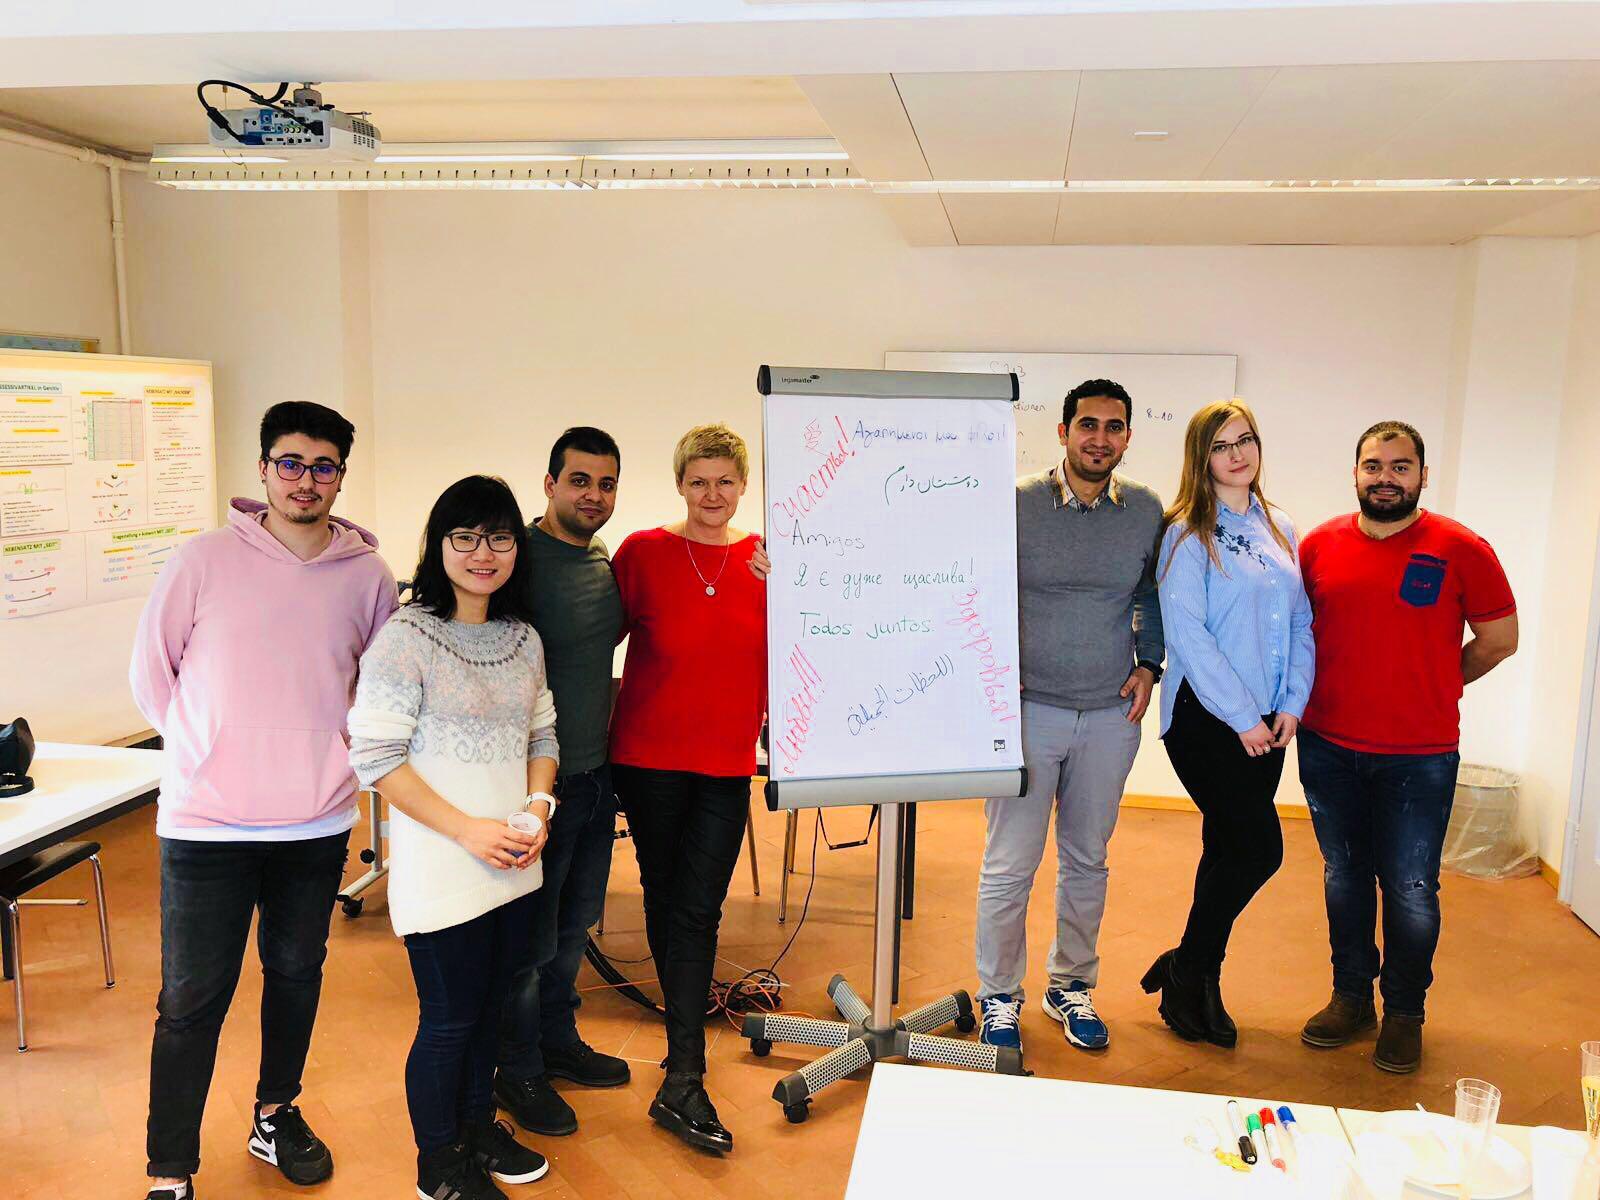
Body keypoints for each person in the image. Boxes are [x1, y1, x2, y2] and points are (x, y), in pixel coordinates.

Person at [131, 402, 398, 1200]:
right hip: (205, 823)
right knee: (190, 999)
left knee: (295, 973)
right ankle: (170, 1166)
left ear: (340, 476)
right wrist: (206, 750)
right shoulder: (202, 560)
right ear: (263, 469)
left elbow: (381, 688)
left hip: (315, 821)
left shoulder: (369, 576)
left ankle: (275, 1114)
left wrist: (333, 753)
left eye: (322, 466)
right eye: (290, 463)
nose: (305, 480)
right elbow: (153, 674)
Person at [349, 475, 558, 1200]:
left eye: (498, 538)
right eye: (464, 537)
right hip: (443, 864)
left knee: (492, 1011)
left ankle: (475, 1129)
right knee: (448, 1021)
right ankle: (438, 1164)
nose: (482, 553)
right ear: (438, 546)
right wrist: (468, 830)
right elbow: (376, 758)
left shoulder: (523, 638)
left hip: (514, 860)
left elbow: (542, 733)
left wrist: (538, 807)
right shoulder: (406, 638)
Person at [1297, 421, 1517, 1074]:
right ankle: (1351, 998)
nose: (1385, 478)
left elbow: (1500, 640)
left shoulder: (1461, 548)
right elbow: (1295, 635)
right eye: (1373, 466)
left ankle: (1403, 1013)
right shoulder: (1318, 546)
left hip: (1419, 756)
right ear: (1355, 474)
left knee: (1412, 887)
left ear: (1423, 475)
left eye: (1400, 466)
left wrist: (1440, 680)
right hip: (1328, 746)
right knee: (1343, 877)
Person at [976, 379, 1165, 1055]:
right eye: (1088, 425)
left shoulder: (1145, 509)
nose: (1100, 439)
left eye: (1114, 427)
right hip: (1029, 712)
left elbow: (1151, 593)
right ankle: (999, 996)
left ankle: (1070, 986)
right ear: (1062, 432)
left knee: (1088, 860)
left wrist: (1151, 664)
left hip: (1111, 715)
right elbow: (978, 586)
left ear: (1128, 437)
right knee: (1010, 865)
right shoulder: (1016, 502)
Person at [609, 423, 766, 1154]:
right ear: (679, 483)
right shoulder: (642, 553)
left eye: (725, 481)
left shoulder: (766, 560)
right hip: (647, 760)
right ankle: (684, 1071)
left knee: (698, 910)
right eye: (698, 481)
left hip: (726, 765)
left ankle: (682, 1071)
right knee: (666, 898)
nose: (712, 494)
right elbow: (591, 641)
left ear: (742, 485)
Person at [1141, 400, 1314, 1047]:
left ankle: (1194, 977)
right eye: (1221, 445)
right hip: (1206, 719)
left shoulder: (1280, 525)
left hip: (1269, 721)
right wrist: (1244, 717)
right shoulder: (1186, 533)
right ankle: (1190, 968)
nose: (1237, 454)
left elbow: (1301, 621)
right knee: (1259, 850)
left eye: (1246, 440)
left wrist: (1292, 702)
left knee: (1225, 848)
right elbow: (1188, 637)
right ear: (1201, 457)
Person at [494, 428, 633, 1136]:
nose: (593, 496)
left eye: (606, 484)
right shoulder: (514, 561)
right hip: (531, 786)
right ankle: (515, 1068)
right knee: (528, 939)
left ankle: (557, 1040)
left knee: (573, 926)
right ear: (549, 484)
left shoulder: (602, 560)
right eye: (579, 481)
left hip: (593, 775)